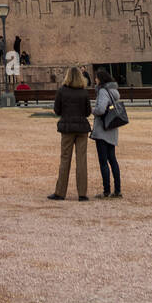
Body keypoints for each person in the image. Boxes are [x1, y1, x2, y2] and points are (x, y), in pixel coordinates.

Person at [48, 65, 91, 201]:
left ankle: (60, 192)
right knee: (81, 160)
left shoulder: (62, 91)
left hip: (67, 128)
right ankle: (82, 193)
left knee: (65, 159)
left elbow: (57, 110)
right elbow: (88, 112)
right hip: (82, 128)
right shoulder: (84, 92)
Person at [90, 67, 122, 198]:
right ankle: (118, 189)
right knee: (112, 160)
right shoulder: (114, 91)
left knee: (103, 161)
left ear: (100, 79)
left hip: (102, 130)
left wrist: (92, 109)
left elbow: (101, 109)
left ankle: (106, 190)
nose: (95, 80)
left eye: (96, 78)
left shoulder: (103, 91)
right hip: (112, 128)